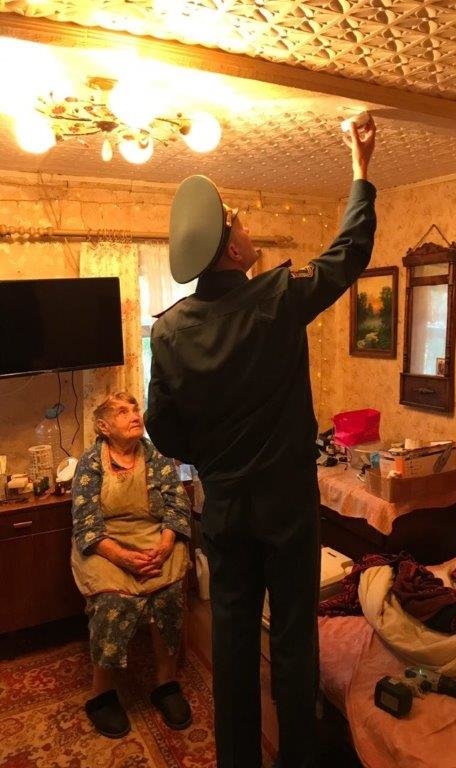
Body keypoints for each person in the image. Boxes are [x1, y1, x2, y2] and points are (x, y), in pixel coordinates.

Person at [145, 116, 377, 768]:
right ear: (230, 250)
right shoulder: (277, 298)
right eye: (239, 223)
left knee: (233, 642)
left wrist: (214, 458)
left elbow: (162, 428)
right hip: (287, 510)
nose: (248, 229)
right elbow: (349, 252)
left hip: (224, 510)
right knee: (295, 641)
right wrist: (359, 169)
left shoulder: (168, 333)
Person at [70, 391, 192, 739]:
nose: (134, 414)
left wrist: (165, 545)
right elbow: (86, 523)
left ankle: (165, 684)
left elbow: (177, 506)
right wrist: (123, 558)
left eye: (135, 408)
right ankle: (101, 694)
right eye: (122, 412)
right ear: (104, 426)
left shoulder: (157, 456)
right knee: (114, 600)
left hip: (154, 539)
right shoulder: (90, 463)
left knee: (168, 595)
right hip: (105, 545)